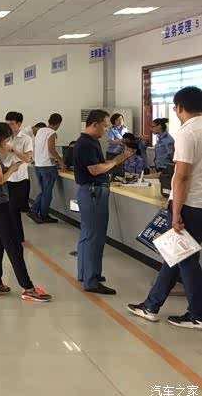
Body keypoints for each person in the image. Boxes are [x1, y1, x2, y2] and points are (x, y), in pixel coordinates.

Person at [128, 87, 202, 329]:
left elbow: (181, 176)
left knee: (186, 260)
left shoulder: (188, 132)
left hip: (189, 205)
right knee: (175, 256)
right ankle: (151, 306)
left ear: (180, 107)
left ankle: (198, 314)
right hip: (199, 205)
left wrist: (176, 212)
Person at [0, 122, 53, 302]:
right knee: (14, 246)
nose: (6, 143)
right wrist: (13, 168)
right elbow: (0, 180)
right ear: (0, 138)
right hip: (0, 206)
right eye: (5, 139)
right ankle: (28, 288)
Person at [74, 110, 133, 294]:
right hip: (94, 193)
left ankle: (85, 273)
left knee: (87, 235)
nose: (107, 130)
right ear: (95, 124)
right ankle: (92, 280)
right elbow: (95, 169)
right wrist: (117, 160)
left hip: (89, 192)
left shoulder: (88, 141)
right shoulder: (86, 144)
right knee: (95, 237)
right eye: (105, 126)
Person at [3, 112, 34, 243]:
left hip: (19, 179)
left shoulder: (26, 139)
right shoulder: (4, 138)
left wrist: (14, 150)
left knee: (14, 209)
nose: (9, 127)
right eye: (7, 124)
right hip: (5, 177)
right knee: (6, 209)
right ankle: (10, 235)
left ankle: (18, 237)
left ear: (19, 124)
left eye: (11, 124)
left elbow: (27, 158)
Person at [29, 113, 65, 224]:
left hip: (38, 165)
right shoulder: (52, 133)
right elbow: (51, 149)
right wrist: (61, 162)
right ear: (58, 123)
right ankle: (43, 215)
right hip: (48, 167)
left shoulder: (40, 131)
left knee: (43, 191)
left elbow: (38, 147)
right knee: (47, 193)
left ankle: (34, 210)